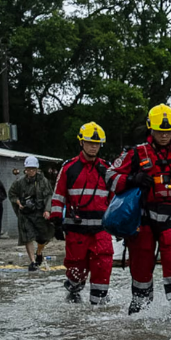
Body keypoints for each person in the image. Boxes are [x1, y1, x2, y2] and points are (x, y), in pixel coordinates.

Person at [108, 105, 171, 315]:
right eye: (159, 131)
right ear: (150, 129)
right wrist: (131, 179)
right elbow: (109, 176)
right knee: (141, 264)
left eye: (168, 131)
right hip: (143, 218)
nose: (164, 135)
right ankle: (139, 310)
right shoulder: (135, 154)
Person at [50, 123, 115, 305]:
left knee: (103, 265)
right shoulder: (69, 167)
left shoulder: (107, 169)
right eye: (90, 142)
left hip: (101, 229)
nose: (94, 146)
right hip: (76, 229)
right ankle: (73, 291)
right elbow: (59, 195)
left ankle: (99, 303)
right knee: (76, 267)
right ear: (82, 142)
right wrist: (56, 220)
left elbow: (115, 199)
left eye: (97, 143)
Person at [9, 155, 54, 271]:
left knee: (45, 236)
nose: (31, 171)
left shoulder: (43, 181)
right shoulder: (19, 182)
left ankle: (39, 252)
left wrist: (47, 210)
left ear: (37, 169)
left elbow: (49, 196)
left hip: (39, 213)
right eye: (28, 169)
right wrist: (18, 202)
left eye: (33, 169)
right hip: (25, 214)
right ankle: (32, 261)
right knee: (27, 237)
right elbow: (11, 194)